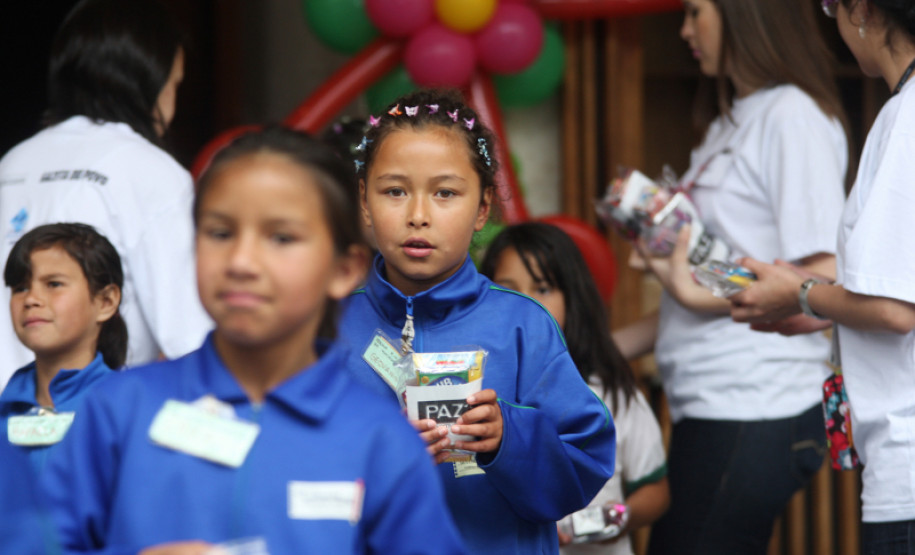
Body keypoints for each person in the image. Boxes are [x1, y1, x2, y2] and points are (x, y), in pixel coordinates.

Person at [38, 127, 467, 554]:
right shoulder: (119, 410)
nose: (242, 261)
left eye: (281, 238)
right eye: (220, 233)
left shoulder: (380, 440)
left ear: (343, 269)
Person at [612, 0, 850, 552]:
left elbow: (821, 275)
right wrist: (597, 347)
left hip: (755, 401)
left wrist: (687, 290)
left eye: (697, 12)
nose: (684, 29)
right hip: (714, 402)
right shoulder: (728, 120)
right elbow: (712, 282)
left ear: (746, 15)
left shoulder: (791, 114)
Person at [337, 89, 615, 555]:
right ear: (364, 200)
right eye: (394, 191)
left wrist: (510, 437)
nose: (418, 216)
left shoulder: (523, 326)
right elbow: (289, 467)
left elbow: (584, 463)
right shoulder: (331, 327)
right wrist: (379, 458)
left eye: (445, 193)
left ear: (483, 207)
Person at [730, 0, 915, 551]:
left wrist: (802, 292)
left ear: (864, 9)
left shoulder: (905, 115)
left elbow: (893, 309)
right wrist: (821, 307)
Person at [0, 0, 211, 389]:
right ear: (150, 80)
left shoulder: (11, 164)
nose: (172, 103)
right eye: (174, 85)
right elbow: (191, 339)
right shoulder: (151, 171)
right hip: (90, 429)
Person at [479, 221, 669, 555]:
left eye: (542, 289)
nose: (526, 304)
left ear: (573, 298)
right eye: (508, 289)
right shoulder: (476, 395)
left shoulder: (613, 394)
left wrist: (614, 519)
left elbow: (656, 491)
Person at [0, 223, 124, 474]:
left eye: (53, 284)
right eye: (20, 288)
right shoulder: (6, 408)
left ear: (106, 302)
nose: (31, 299)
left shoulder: (126, 409)